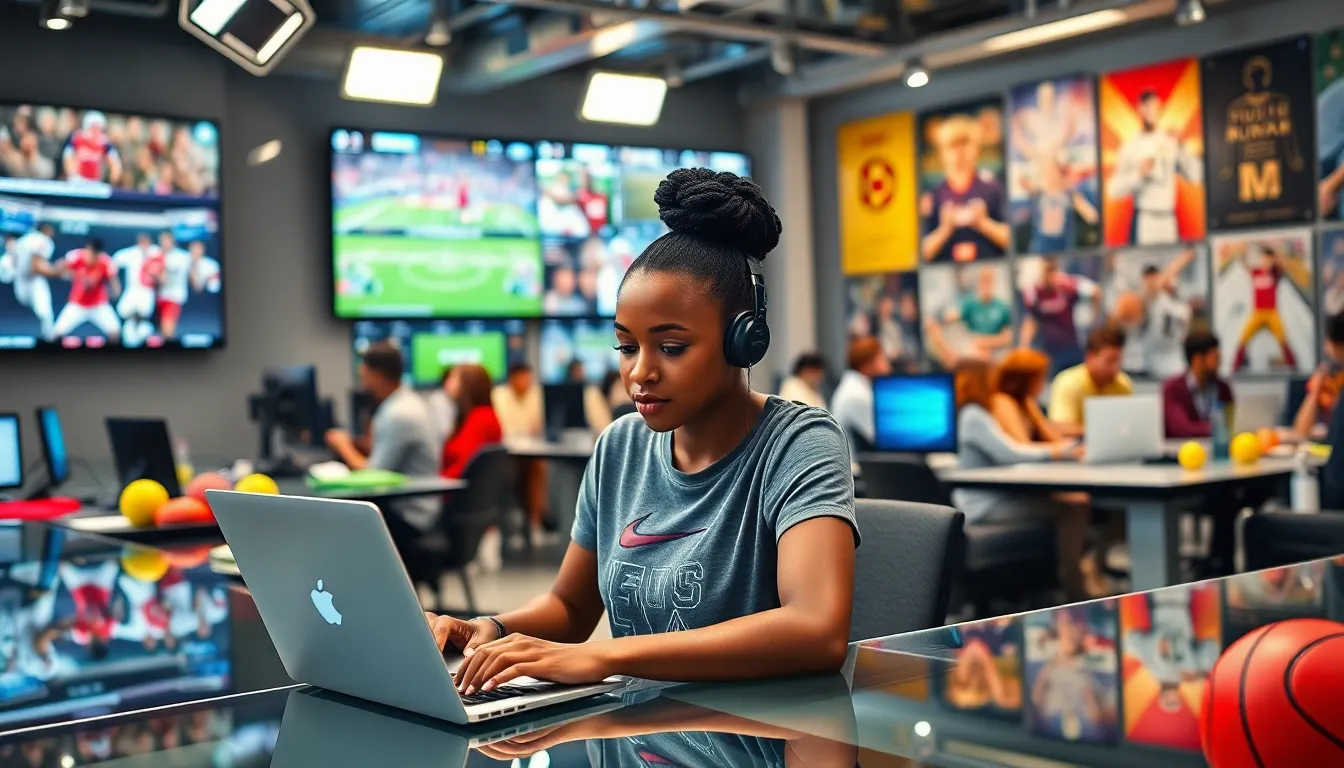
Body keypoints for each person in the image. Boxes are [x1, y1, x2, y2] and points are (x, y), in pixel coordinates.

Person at [427, 168, 858, 694]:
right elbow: (570, 606)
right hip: (638, 735)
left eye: (671, 348)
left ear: (744, 340)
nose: (639, 372)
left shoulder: (799, 442)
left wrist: (605, 657)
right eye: (627, 347)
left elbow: (816, 630)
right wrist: (489, 630)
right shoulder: (620, 446)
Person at [951, 360, 1099, 600]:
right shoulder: (974, 416)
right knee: (1072, 508)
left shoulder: (969, 413)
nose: (994, 383)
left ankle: (1054, 582)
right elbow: (1012, 453)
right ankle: (1074, 588)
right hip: (985, 506)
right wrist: (1058, 451)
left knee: (1069, 502)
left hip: (986, 501)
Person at [325, 343, 441, 545]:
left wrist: (343, 445)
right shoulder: (408, 402)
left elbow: (373, 475)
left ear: (377, 375)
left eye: (364, 368)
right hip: (421, 508)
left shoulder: (398, 414)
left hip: (410, 516)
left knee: (334, 525)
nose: (360, 372)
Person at [1109, 89, 1202, 245]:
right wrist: (1139, 174)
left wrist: (1182, 147)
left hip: (1169, 219)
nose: (1152, 112)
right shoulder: (1130, 147)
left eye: (1156, 107)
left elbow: (1195, 175)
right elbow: (1114, 190)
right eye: (1148, 107)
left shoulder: (1170, 141)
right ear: (1140, 108)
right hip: (1146, 219)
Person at [920, 115, 1010, 263]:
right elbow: (921, 252)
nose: (959, 152)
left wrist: (984, 223)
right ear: (941, 153)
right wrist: (944, 230)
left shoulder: (993, 188)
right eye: (953, 145)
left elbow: (1013, 241)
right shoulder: (933, 195)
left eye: (965, 144)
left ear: (977, 148)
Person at [1047, 323, 1135, 437]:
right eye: (1109, 361)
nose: (1115, 369)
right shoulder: (1067, 383)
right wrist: (1103, 432)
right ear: (1090, 357)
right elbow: (1060, 427)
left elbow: (1128, 426)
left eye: (1119, 361)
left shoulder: (1123, 383)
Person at [493, 362, 548, 538]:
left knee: (537, 468)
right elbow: (503, 428)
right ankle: (511, 526)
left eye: (529, 379)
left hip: (531, 453)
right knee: (509, 473)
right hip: (505, 455)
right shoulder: (499, 395)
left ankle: (534, 522)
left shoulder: (536, 394)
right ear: (512, 379)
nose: (526, 383)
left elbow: (539, 425)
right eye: (523, 379)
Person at [1019, 258, 1096, 374]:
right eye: (1047, 270)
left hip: (1072, 348)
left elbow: (1095, 293)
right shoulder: (1035, 293)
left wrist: (1092, 325)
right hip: (1050, 353)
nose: (1050, 274)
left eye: (1052, 270)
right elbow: (1031, 320)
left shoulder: (1067, 286)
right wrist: (1023, 346)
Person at [1232, 245, 1299, 372]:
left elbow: (1285, 266)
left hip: (1272, 313)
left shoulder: (1275, 273)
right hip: (1257, 313)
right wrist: (1243, 251)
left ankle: (1293, 366)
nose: (1265, 262)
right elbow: (1243, 263)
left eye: (1268, 259)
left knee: (1283, 338)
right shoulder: (1256, 272)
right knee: (1244, 337)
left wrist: (1276, 255)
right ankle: (1235, 366)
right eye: (1264, 259)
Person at [1162, 331, 1234, 439]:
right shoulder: (1173, 389)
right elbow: (1181, 428)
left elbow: (1232, 422)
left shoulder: (1223, 388)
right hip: (1182, 451)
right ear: (1197, 360)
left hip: (1216, 449)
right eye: (1215, 357)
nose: (1219, 361)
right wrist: (1218, 429)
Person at [52, 238, 121, 342]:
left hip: (98, 305)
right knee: (56, 333)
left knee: (115, 332)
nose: (90, 256)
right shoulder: (76, 256)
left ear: (99, 254)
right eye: (89, 252)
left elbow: (115, 286)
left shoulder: (106, 262)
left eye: (94, 254)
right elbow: (58, 268)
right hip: (77, 304)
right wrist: (67, 272)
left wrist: (114, 292)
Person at [440, 364, 502, 480]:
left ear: (469, 384)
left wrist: (437, 482)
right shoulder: (468, 416)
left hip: (459, 492)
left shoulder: (482, 418)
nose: (447, 382)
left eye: (453, 378)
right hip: (454, 490)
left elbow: (465, 467)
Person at [991, 348, 1064, 445]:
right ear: (1026, 380)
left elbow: (1054, 437)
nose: (1042, 384)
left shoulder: (1026, 402)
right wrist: (1056, 451)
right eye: (1040, 378)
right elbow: (1022, 445)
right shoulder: (1002, 401)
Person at [831, 337, 890, 451]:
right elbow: (879, 438)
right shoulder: (857, 394)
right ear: (867, 364)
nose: (887, 363)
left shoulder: (854, 386)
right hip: (855, 465)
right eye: (881, 358)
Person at [1294, 312, 1344, 441]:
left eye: (1328, 343)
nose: (1326, 349)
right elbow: (1301, 430)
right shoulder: (1330, 378)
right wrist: (1315, 391)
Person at [11, 222, 60, 341]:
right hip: (33, 281)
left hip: (19, 281)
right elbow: (37, 267)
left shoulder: (23, 239)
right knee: (45, 313)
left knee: (40, 311)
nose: (52, 233)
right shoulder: (43, 240)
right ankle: (50, 343)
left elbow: (14, 260)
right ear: (45, 229)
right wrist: (58, 271)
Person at [567, 359, 613, 432]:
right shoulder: (567, 391)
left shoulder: (590, 389)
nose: (581, 372)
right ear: (572, 371)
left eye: (581, 369)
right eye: (578, 370)